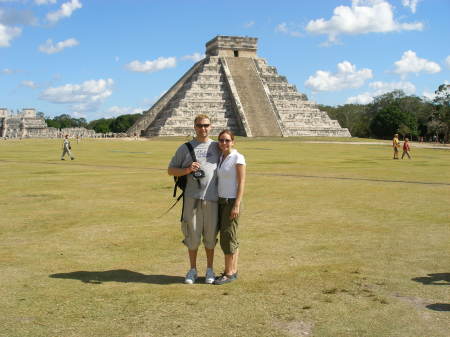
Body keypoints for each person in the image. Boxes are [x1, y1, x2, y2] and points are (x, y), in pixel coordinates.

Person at [168, 114, 220, 284]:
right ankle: (192, 270)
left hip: (212, 199)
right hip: (192, 199)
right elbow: (171, 170)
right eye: (199, 125)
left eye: (206, 125)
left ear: (211, 126)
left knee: (210, 236)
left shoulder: (218, 146)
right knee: (192, 236)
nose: (203, 128)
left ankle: (210, 270)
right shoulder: (185, 148)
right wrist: (188, 169)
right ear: (194, 127)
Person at [214, 130, 246, 285]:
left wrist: (236, 205)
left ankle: (229, 273)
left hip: (231, 202)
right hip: (220, 201)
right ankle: (233, 269)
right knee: (230, 236)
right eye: (221, 140)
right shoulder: (221, 157)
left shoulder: (238, 158)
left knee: (227, 237)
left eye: (227, 140)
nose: (224, 143)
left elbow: (241, 183)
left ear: (233, 142)